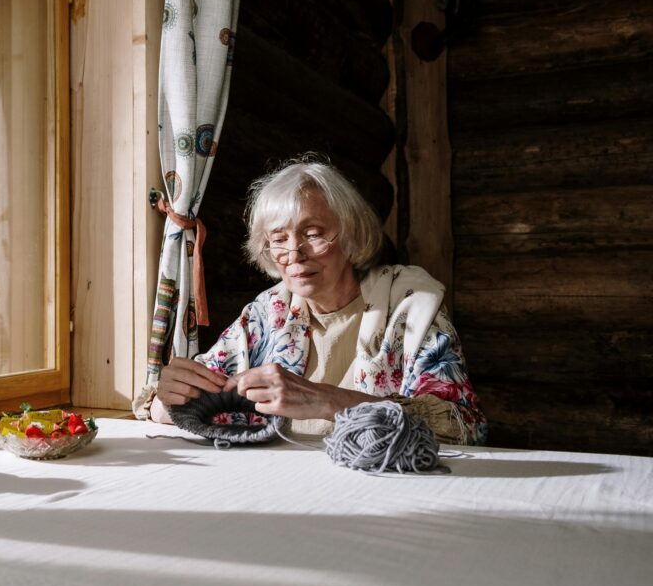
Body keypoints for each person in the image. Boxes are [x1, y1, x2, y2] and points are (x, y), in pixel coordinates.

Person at [134, 158, 487, 445]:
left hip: (379, 484)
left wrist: (326, 401)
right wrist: (166, 400)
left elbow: (462, 424)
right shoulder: (267, 313)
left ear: (350, 236)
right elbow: (201, 399)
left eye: (313, 234)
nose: (295, 253)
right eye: (279, 239)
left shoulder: (409, 307)